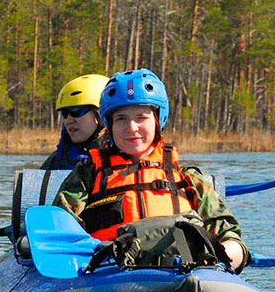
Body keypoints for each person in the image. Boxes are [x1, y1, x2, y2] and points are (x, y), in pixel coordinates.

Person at [53, 68, 251, 272]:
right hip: (110, 274)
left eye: (141, 117)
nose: (131, 127)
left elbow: (228, 234)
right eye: (121, 118)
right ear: (109, 124)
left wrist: (221, 261)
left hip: (182, 272)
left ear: (158, 120)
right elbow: (61, 226)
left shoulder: (187, 178)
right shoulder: (89, 172)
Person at [40, 74, 110, 170]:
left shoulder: (126, 160)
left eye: (76, 111)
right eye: (64, 113)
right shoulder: (54, 161)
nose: (69, 120)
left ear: (101, 115)